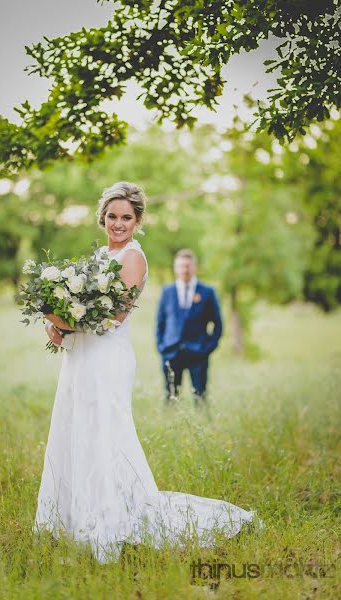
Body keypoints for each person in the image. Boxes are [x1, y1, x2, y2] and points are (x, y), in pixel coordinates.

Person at [34, 181, 261, 564]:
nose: (118, 224)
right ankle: (75, 517)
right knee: (79, 427)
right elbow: (77, 309)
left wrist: (65, 321)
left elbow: (114, 316)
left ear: (138, 220)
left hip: (107, 358)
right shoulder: (102, 254)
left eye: (126, 217)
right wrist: (52, 323)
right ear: (102, 218)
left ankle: (107, 519)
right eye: (111, 216)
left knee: (107, 431)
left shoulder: (133, 258)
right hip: (82, 357)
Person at [156, 249, 223, 406]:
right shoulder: (167, 292)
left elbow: (218, 324)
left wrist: (208, 348)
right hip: (171, 353)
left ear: (194, 268)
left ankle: (203, 427)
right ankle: (169, 428)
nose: (184, 270)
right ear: (175, 268)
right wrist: (161, 347)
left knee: (200, 399)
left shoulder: (207, 292)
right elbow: (160, 323)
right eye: (181, 266)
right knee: (170, 399)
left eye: (188, 266)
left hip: (198, 354)